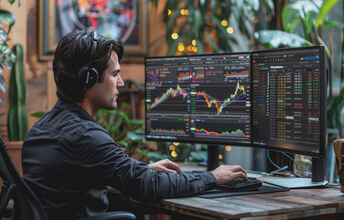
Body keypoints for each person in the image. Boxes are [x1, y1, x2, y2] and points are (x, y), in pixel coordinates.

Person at [21, 29, 247, 220]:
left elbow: (72, 181)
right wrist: (213, 177)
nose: (121, 83)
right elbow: (146, 186)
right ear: (88, 79)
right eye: (115, 74)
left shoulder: (42, 128)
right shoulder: (85, 135)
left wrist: (139, 171)